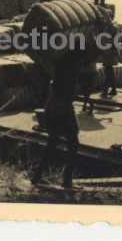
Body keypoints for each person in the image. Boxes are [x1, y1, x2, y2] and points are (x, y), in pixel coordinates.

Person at [30, 52, 84, 190]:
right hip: (63, 107)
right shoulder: (73, 65)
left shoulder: (59, 62)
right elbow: (90, 57)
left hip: (52, 105)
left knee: (52, 141)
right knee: (73, 143)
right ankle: (67, 180)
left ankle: (36, 176)